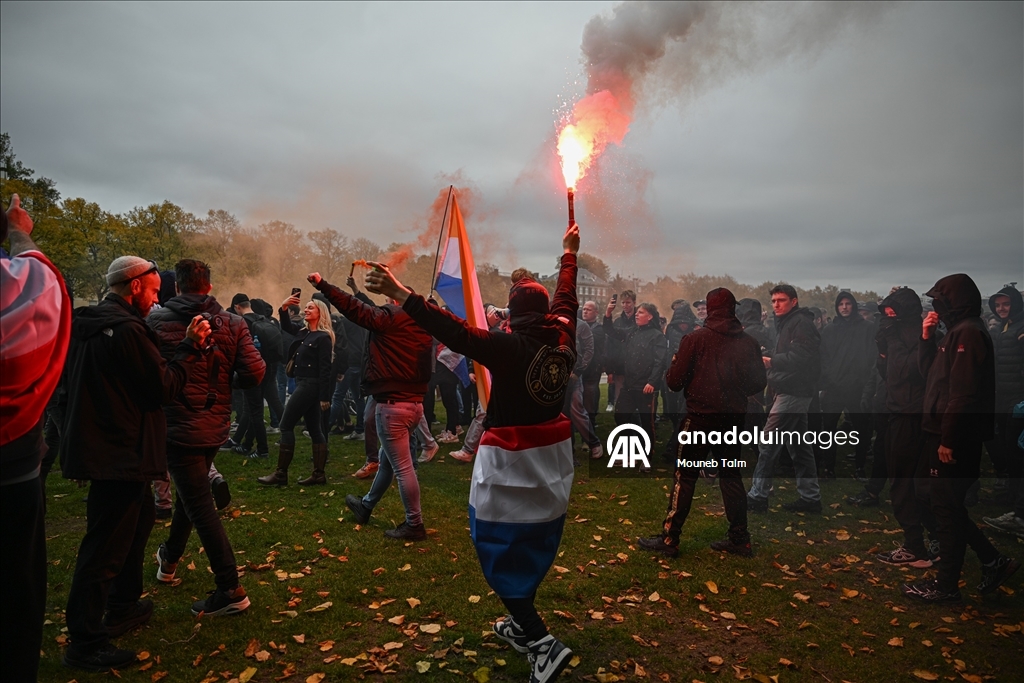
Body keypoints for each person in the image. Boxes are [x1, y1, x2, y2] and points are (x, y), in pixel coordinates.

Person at [363, 224, 581, 683]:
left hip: (512, 458)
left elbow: (454, 332)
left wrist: (401, 292)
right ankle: (524, 629)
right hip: (554, 458)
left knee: (496, 545)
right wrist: (568, 255)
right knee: (533, 542)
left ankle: (541, 642)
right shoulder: (563, 332)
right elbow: (566, 297)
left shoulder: (508, 346)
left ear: (515, 318)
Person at [60, 254, 211, 671]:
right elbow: (163, 387)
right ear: (135, 286)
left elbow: (68, 388)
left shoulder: (85, 327)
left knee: (141, 517)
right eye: (155, 291)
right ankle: (85, 642)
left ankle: (124, 605)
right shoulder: (128, 331)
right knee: (104, 546)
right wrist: (189, 348)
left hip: (101, 446)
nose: (157, 299)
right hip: (121, 451)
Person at [147, 260, 264, 616]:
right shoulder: (233, 322)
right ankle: (169, 560)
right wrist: (224, 385)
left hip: (177, 426)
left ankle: (230, 588)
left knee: (199, 504)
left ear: (177, 287)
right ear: (210, 287)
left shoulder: (155, 322)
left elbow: (151, 377)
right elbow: (255, 372)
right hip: (214, 426)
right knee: (190, 495)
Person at [902, 274, 1019, 602]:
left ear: (955, 300)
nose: (936, 305)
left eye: (941, 299)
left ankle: (946, 586)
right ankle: (993, 560)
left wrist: (949, 440)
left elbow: (963, 395)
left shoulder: (969, 332)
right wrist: (927, 338)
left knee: (945, 506)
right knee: (938, 502)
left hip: (954, 437)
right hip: (940, 432)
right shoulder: (954, 332)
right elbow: (932, 378)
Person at [0, 196, 72, 682]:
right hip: (13, 464)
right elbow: (41, 280)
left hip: (17, 466)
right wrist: (20, 232)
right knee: (15, 590)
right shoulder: (26, 287)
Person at [639, 288, 766, 558]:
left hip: (699, 419)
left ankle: (670, 539)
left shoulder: (695, 340)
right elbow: (758, 383)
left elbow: (673, 382)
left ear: (709, 309)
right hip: (732, 423)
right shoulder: (749, 343)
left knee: (685, 477)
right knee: (731, 477)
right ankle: (740, 539)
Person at [309, 272, 434, 540]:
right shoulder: (425, 322)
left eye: (390, 298)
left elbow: (355, 308)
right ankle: (365, 506)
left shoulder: (390, 318)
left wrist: (323, 285)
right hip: (414, 405)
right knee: (388, 462)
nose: (386, 301)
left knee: (402, 467)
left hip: (392, 405)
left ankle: (415, 523)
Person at [858, 288, 938, 566]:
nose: (888, 318)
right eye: (885, 314)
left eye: (893, 313)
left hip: (911, 412)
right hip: (896, 408)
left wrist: (890, 339)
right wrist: (883, 348)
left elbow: (910, 372)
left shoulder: (918, 334)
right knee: (907, 480)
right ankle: (931, 538)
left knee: (904, 482)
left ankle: (918, 545)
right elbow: (887, 371)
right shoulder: (894, 333)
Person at [747, 284, 822, 513]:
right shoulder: (786, 323)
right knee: (800, 446)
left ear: (794, 301)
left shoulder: (801, 324)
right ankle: (810, 497)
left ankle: (758, 495)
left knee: (768, 442)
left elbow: (802, 358)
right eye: (773, 301)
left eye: (781, 300)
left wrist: (772, 362)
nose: (776, 305)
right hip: (789, 389)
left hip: (795, 390)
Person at [257, 296, 333, 486]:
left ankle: (281, 474)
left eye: (310, 308)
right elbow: (287, 327)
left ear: (320, 313)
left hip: (310, 385)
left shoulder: (323, 337)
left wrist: (325, 396)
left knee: (285, 425)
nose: (306, 310)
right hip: (302, 383)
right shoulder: (305, 332)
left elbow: (325, 369)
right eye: (305, 307)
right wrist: (283, 307)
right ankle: (318, 475)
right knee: (315, 429)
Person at [982, 285, 1024, 538]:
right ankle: (1012, 500)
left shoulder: (1020, 329)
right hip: (1001, 398)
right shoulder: (999, 330)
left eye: (1006, 304)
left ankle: (1019, 514)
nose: (1001, 309)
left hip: (1018, 401)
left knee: (1019, 455)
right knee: (1007, 451)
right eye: (998, 305)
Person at [818, 292, 874, 479]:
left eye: (848, 303)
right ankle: (828, 468)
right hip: (834, 387)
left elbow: (870, 356)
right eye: (841, 304)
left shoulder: (866, 328)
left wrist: (864, 381)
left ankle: (859, 467)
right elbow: (823, 357)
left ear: (853, 306)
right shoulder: (830, 330)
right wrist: (827, 380)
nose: (844, 307)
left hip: (857, 387)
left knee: (861, 429)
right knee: (829, 429)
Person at [603, 299, 668, 446]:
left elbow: (660, 361)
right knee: (621, 416)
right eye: (637, 312)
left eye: (640, 312)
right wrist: (608, 313)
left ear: (650, 316)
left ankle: (647, 454)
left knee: (647, 423)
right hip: (629, 385)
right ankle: (629, 447)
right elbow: (611, 331)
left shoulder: (657, 336)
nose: (636, 315)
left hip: (645, 387)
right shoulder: (632, 332)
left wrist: (652, 382)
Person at [228, 294, 283, 458]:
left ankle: (262, 450)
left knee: (255, 412)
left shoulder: (242, 323)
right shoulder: (264, 319)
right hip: (269, 369)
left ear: (238, 307)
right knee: (254, 409)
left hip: (252, 371)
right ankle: (246, 445)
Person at [563, 309, 602, 459]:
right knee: (562, 414)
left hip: (574, 375)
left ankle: (593, 443)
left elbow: (589, 350)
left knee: (576, 410)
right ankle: (568, 448)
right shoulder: (552, 324)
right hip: (556, 376)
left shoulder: (581, 326)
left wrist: (579, 371)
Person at [603, 290, 636, 412]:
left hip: (636, 366)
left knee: (636, 398)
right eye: (623, 303)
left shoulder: (639, 320)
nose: (625, 305)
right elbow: (610, 344)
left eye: (628, 302)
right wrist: (610, 369)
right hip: (620, 366)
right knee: (620, 397)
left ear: (634, 302)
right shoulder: (617, 321)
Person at [580, 300, 606, 432]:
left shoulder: (598, 329)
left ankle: (591, 425)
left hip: (592, 369)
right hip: (581, 368)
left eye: (588, 310)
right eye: (584, 309)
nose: (585, 311)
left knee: (590, 396)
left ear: (596, 312)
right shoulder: (580, 325)